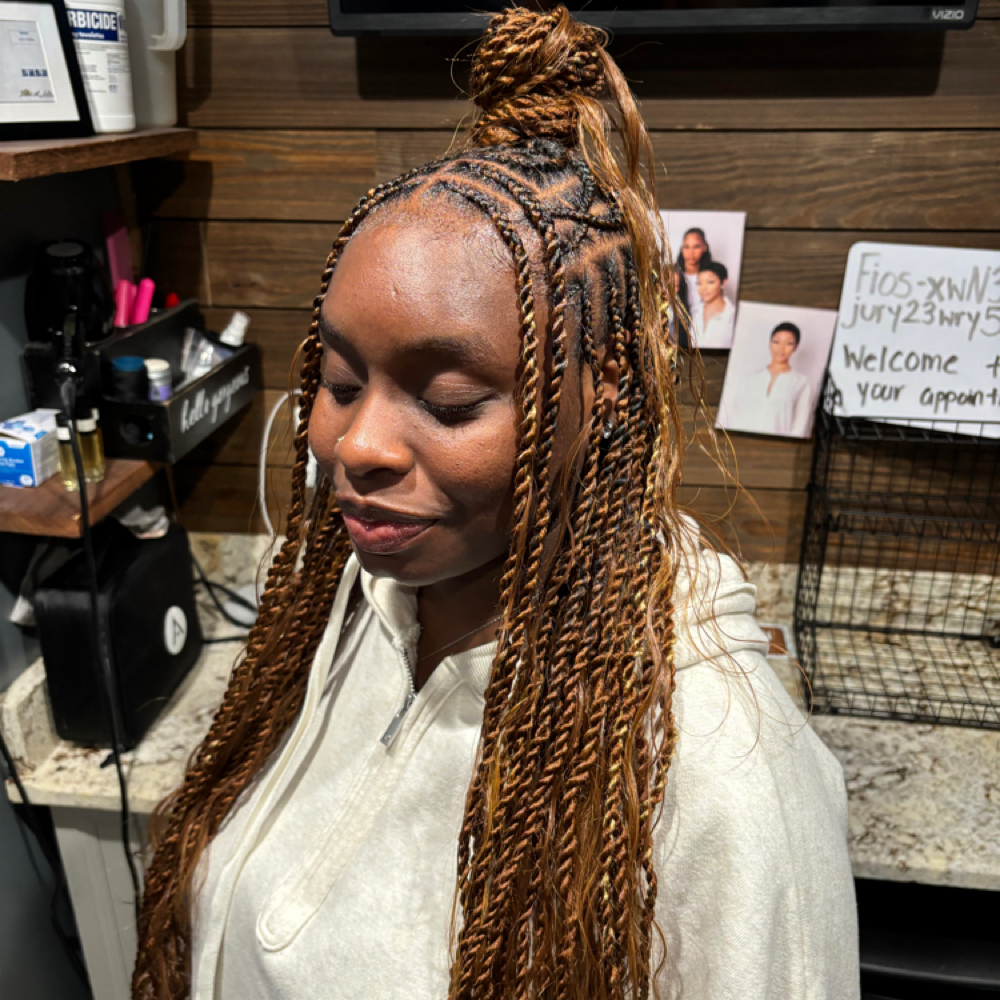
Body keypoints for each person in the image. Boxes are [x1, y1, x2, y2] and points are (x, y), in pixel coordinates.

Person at [132, 9, 858, 1000]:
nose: (357, 446)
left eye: (446, 401)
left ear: (599, 391)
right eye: (339, 383)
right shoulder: (356, 599)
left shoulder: (726, 786)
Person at [726, 321, 815, 437]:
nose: (781, 349)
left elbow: (801, 424)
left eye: (789, 343)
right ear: (770, 343)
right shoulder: (750, 379)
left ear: (796, 346)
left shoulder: (801, 383)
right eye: (776, 342)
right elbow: (735, 416)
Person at [672, 226, 710, 348]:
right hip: (677, 335)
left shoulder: (711, 277)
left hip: (705, 334)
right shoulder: (672, 275)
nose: (691, 253)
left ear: (704, 247)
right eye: (686, 247)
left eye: (696, 246)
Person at [694, 259, 735, 349]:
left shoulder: (733, 315)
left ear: (723, 282)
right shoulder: (693, 311)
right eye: (699, 283)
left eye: (710, 282)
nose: (703, 288)